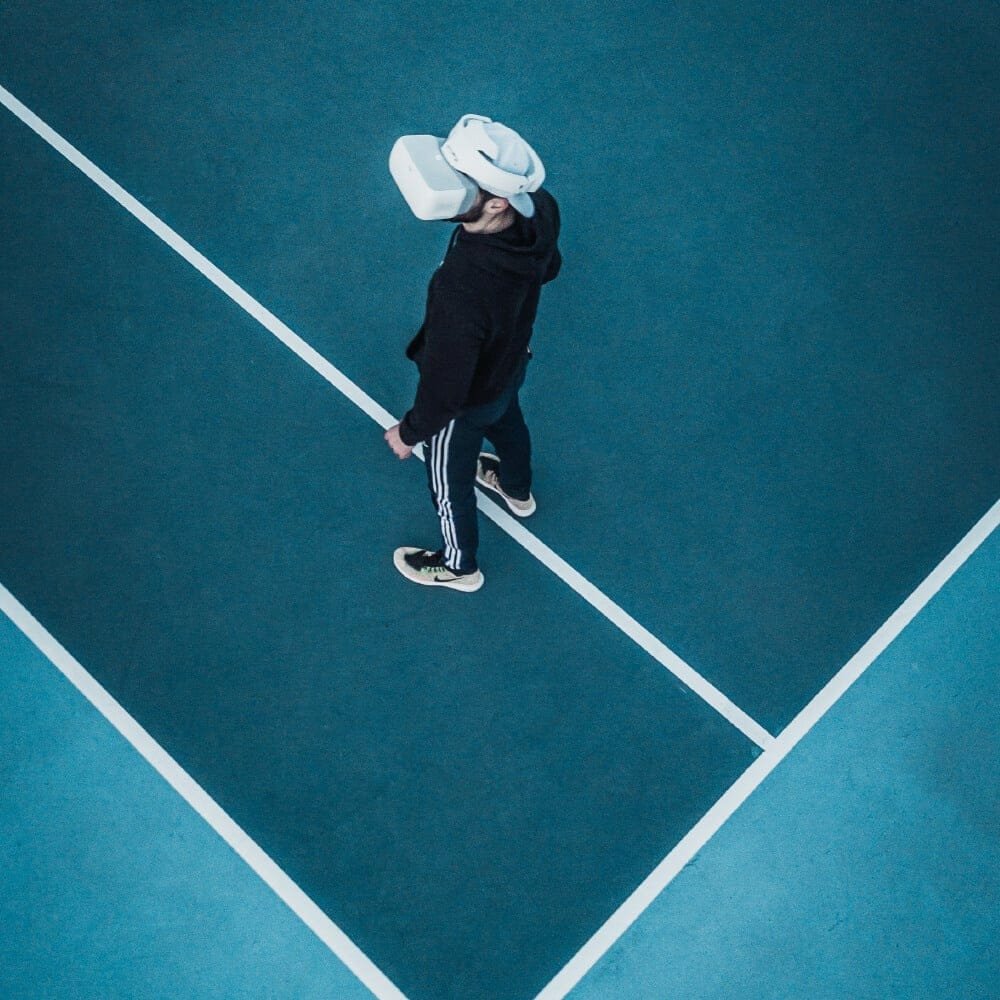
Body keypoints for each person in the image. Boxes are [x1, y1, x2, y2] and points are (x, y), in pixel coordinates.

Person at [384, 116, 562, 592]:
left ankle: (459, 566)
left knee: (449, 483)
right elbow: (550, 267)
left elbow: (446, 389)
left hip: (466, 402)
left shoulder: (461, 288)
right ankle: (517, 489)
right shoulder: (541, 209)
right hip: (511, 361)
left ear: (498, 202)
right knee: (508, 422)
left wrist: (410, 432)